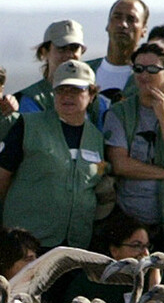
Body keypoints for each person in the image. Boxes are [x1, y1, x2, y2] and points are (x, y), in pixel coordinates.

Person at [104, 42, 164, 267]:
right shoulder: (119, 113)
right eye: (138, 69)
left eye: (152, 69)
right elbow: (120, 165)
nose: (144, 75)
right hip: (129, 222)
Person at [0, 60, 107, 249]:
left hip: (76, 245)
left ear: (91, 94)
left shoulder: (97, 138)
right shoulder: (27, 125)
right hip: (27, 244)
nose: (67, 96)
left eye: (75, 90)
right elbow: (2, 178)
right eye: (61, 89)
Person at [87, 0, 150, 104]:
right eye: (117, 17)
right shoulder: (84, 73)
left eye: (131, 19)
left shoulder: (147, 79)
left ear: (144, 30)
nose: (123, 24)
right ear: (108, 24)